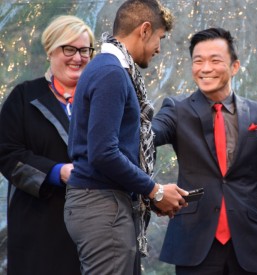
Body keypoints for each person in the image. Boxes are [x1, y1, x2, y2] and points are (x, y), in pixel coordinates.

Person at [152, 27, 257, 275]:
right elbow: (148, 136)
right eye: (198, 61)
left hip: (248, 245)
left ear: (234, 66)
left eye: (215, 60)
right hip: (194, 242)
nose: (205, 68)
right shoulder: (176, 109)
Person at [63, 1, 188, 274]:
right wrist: (155, 191)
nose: (159, 48)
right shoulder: (111, 73)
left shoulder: (107, 68)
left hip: (102, 204)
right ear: (144, 30)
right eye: (160, 38)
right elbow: (103, 153)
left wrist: (148, 194)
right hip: (102, 207)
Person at [0, 15, 95, 275]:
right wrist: (58, 172)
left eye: (84, 50)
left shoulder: (102, 98)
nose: (77, 58)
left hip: (94, 229)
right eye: (69, 49)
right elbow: (7, 155)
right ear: (51, 49)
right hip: (39, 228)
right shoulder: (24, 97)